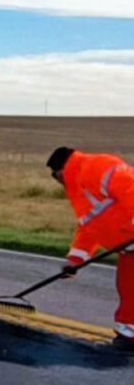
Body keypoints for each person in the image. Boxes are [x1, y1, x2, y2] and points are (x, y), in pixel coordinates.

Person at [47, 146, 134, 351]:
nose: (57, 182)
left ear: (60, 170)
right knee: (128, 292)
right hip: (129, 249)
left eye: (54, 176)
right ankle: (129, 336)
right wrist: (75, 260)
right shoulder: (78, 188)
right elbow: (90, 227)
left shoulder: (95, 166)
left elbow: (131, 188)